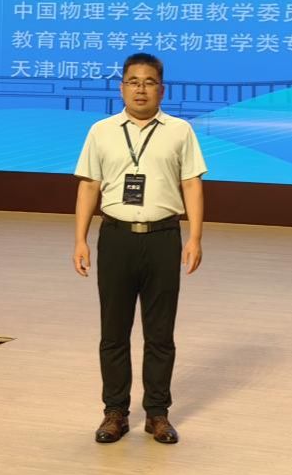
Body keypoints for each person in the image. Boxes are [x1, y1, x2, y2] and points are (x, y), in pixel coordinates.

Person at [73, 52, 206, 445]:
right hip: (116, 237)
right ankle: (114, 412)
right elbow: (89, 185)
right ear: (122, 88)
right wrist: (80, 239)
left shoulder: (180, 131)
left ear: (162, 89)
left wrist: (195, 237)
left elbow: (192, 184)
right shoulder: (101, 131)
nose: (141, 89)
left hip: (163, 238)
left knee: (160, 333)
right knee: (113, 332)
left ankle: (157, 414)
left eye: (149, 82)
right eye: (133, 81)